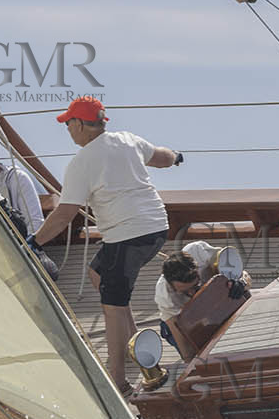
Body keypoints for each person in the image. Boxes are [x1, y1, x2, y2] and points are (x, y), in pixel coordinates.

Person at [30, 96, 181, 389]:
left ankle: (119, 382)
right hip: (156, 228)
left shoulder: (81, 162)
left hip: (129, 236)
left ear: (79, 124)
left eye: (68, 124)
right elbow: (162, 158)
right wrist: (177, 156)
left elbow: (64, 214)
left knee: (112, 305)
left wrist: (34, 242)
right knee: (98, 273)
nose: (67, 130)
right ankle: (136, 345)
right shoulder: (127, 140)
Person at [154, 242, 252, 357]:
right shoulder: (164, 295)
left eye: (195, 287)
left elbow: (242, 274)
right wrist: (191, 362)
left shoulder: (199, 252)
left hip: (215, 302)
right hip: (187, 318)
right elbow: (181, 340)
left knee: (241, 292)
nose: (192, 293)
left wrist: (242, 282)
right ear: (171, 285)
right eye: (185, 292)